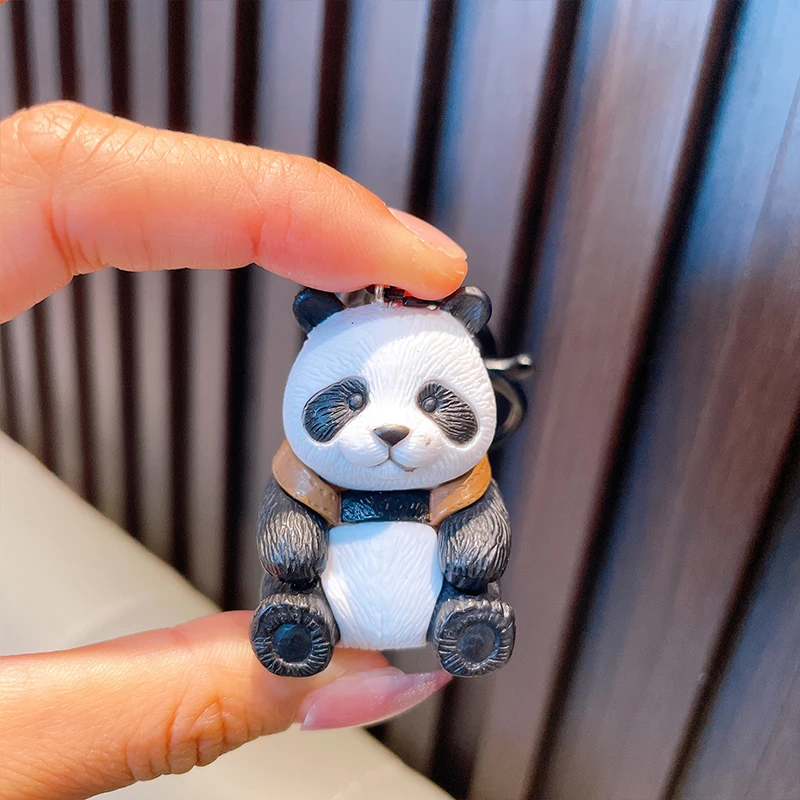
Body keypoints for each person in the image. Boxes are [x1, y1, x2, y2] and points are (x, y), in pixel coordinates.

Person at [0, 101, 467, 800]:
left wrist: (471, 558)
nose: (394, 430)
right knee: (296, 576)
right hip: (334, 595)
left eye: (431, 401)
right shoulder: (307, 470)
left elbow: (477, 526)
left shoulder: (461, 480)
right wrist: (295, 557)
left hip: (429, 588)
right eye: (354, 400)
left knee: (473, 566)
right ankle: (301, 617)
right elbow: (289, 522)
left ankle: (465, 618)